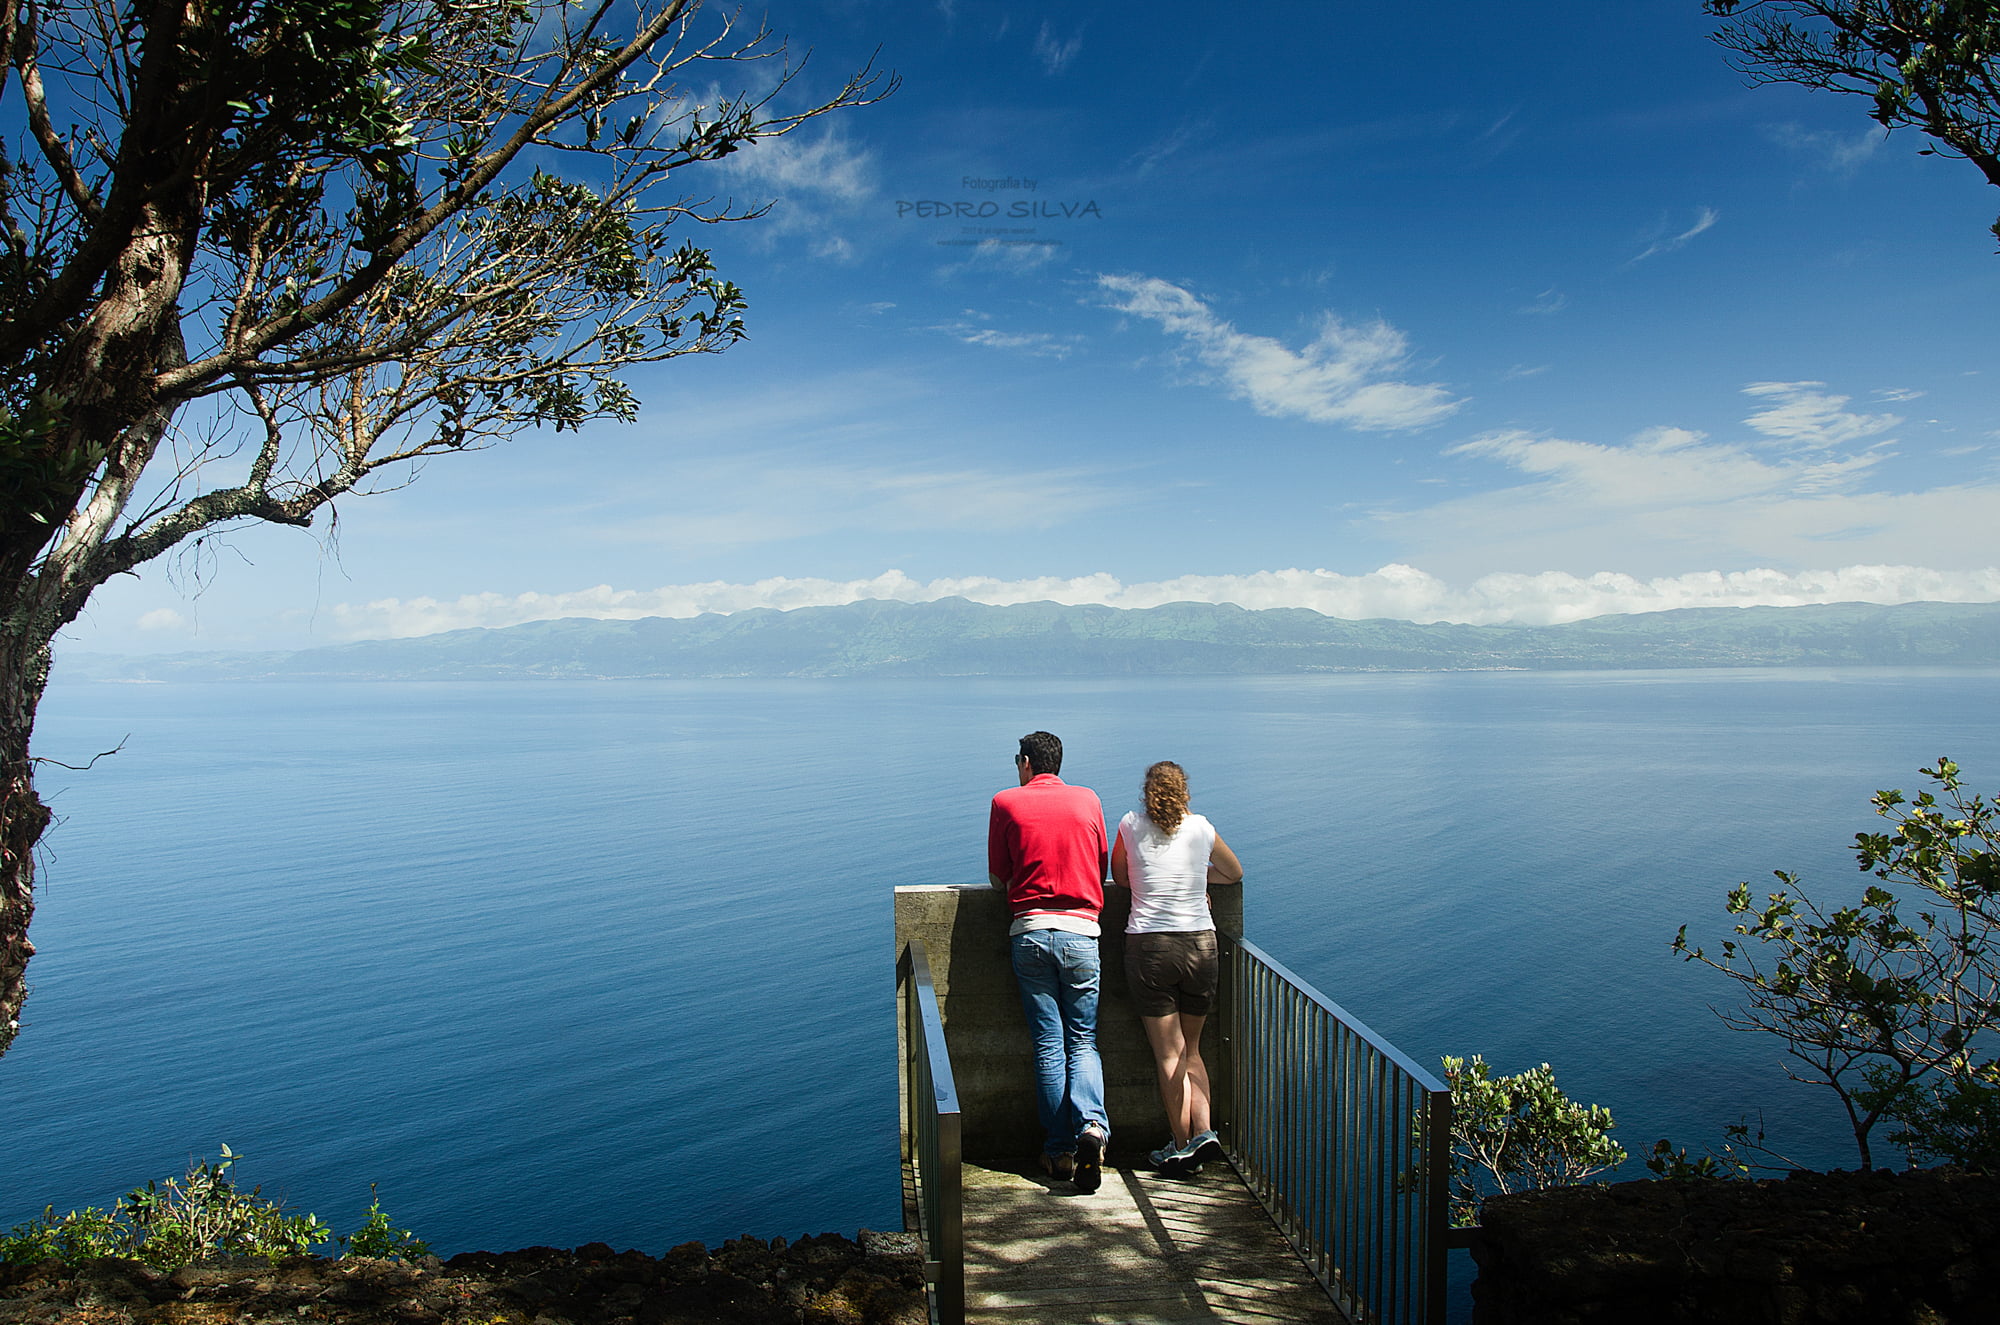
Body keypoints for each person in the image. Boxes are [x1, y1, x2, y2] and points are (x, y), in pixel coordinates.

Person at [988, 730, 1112, 1192]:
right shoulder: (1088, 800)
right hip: (1083, 933)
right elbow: (1099, 867)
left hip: (1031, 933)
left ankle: (1059, 1153)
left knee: (1048, 1044)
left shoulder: (1006, 802)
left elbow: (999, 880)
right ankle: (1093, 1129)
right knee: (1083, 1041)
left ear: (1025, 762)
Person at [1110, 760, 1243, 1176]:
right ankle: (1204, 1132)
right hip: (1201, 945)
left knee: (1170, 1054)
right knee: (1194, 1050)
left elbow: (1120, 877)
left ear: (1148, 792)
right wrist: (1195, 879)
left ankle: (1181, 1145)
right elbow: (1233, 873)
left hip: (1151, 947)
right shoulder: (1201, 827)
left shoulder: (1130, 825)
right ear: (1184, 791)